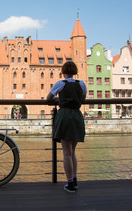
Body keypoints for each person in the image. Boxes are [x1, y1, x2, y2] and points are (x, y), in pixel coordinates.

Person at [46, 61, 87, 193]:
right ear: (75, 71)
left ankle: (69, 184)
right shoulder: (81, 84)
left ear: (63, 72)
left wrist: (60, 100)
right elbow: (83, 99)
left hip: (64, 116)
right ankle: (74, 180)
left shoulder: (60, 84)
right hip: (76, 116)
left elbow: (48, 98)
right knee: (73, 151)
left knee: (66, 152)